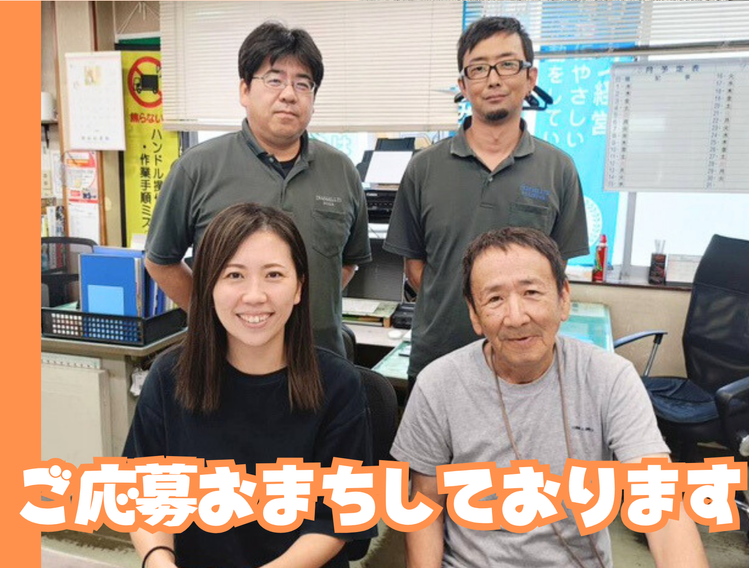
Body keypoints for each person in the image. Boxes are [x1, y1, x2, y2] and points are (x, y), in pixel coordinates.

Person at [391, 227, 708, 568]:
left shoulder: (610, 377)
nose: (516, 317)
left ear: (563, 298)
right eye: (495, 299)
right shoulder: (438, 385)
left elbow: (662, 506)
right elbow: (425, 506)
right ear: (474, 314)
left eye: (531, 292)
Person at [125, 203, 375, 568]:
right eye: (234, 275)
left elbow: (335, 519)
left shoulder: (338, 385)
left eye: (273, 275)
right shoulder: (169, 376)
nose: (254, 295)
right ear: (208, 287)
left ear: (299, 287)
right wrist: (158, 560)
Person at [384, 16, 588, 388]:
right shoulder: (423, 168)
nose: (493, 79)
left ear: (531, 77)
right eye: (478, 68)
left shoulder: (558, 169)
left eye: (507, 64)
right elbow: (415, 267)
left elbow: (555, 270)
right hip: (438, 360)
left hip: (524, 366)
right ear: (463, 85)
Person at [145, 22, 371, 357]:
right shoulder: (197, 168)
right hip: (226, 363)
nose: (289, 94)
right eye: (274, 79)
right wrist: (215, 316)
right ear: (244, 90)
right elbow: (161, 261)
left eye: (303, 83)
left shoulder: (342, 171)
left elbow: (348, 262)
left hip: (319, 358)